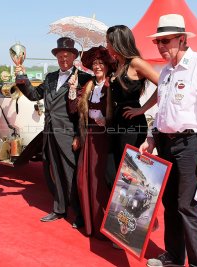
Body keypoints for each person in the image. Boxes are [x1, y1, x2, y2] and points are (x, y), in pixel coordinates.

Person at [140, 14, 197, 267]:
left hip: (190, 145)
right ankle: (174, 257)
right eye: (158, 42)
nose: (161, 47)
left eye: (166, 41)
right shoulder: (165, 71)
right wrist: (152, 137)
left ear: (182, 39)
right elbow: (161, 110)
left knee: (189, 206)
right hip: (164, 143)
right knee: (169, 203)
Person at [15, 37, 92, 226]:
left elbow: (85, 111)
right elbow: (34, 95)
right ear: (56, 57)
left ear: (74, 57)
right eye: (60, 56)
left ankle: (80, 214)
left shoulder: (83, 78)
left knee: (72, 175)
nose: (63, 59)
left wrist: (78, 135)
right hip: (49, 132)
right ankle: (59, 209)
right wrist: (22, 77)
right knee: (54, 172)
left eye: (67, 55)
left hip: (68, 133)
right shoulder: (50, 77)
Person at [67, 46, 116, 238]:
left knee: (101, 181)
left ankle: (105, 225)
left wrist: (108, 119)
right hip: (89, 136)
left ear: (107, 66)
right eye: (94, 64)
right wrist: (72, 90)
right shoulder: (87, 86)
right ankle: (88, 221)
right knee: (83, 178)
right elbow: (74, 110)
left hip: (105, 139)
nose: (97, 67)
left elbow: (119, 111)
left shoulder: (111, 85)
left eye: (100, 63)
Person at [105, 25, 159, 183]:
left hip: (132, 124)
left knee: (129, 173)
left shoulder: (136, 63)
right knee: (111, 173)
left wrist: (142, 109)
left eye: (108, 42)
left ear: (117, 42)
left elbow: (165, 85)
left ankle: (132, 206)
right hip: (117, 121)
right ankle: (117, 207)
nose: (106, 46)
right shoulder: (117, 65)